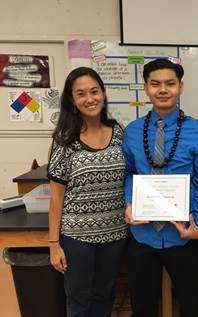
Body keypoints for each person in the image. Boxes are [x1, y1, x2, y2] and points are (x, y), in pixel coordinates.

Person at [122, 58, 198, 317]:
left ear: (180, 87)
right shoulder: (132, 131)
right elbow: (129, 173)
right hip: (142, 233)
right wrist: (130, 202)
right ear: (147, 88)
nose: (163, 90)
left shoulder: (197, 130)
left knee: (190, 302)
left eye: (170, 84)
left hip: (183, 232)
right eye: (155, 84)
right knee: (142, 304)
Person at [48, 67, 128, 317]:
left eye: (94, 91)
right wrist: (53, 244)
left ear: (103, 94)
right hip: (77, 237)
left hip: (115, 233)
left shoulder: (119, 132)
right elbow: (56, 196)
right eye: (81, 93)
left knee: (104, 295)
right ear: (72, 100)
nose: (89, 98)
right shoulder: (65, 138)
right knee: (79, 299)